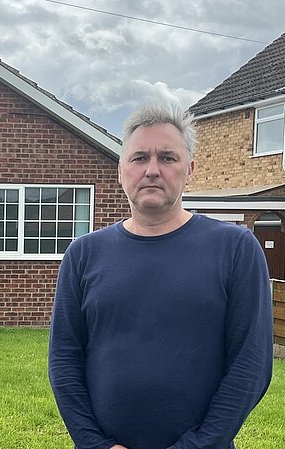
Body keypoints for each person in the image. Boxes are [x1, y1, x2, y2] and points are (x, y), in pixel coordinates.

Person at [48, 104, 273, 449]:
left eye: (168, 158)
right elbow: (64, 358)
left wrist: (198, 445)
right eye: (139, 158)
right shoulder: (84, 254)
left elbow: (251, 365)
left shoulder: (235, 248)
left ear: (190, 170)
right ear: (121, 170)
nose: (152, 170)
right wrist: (94, 443)